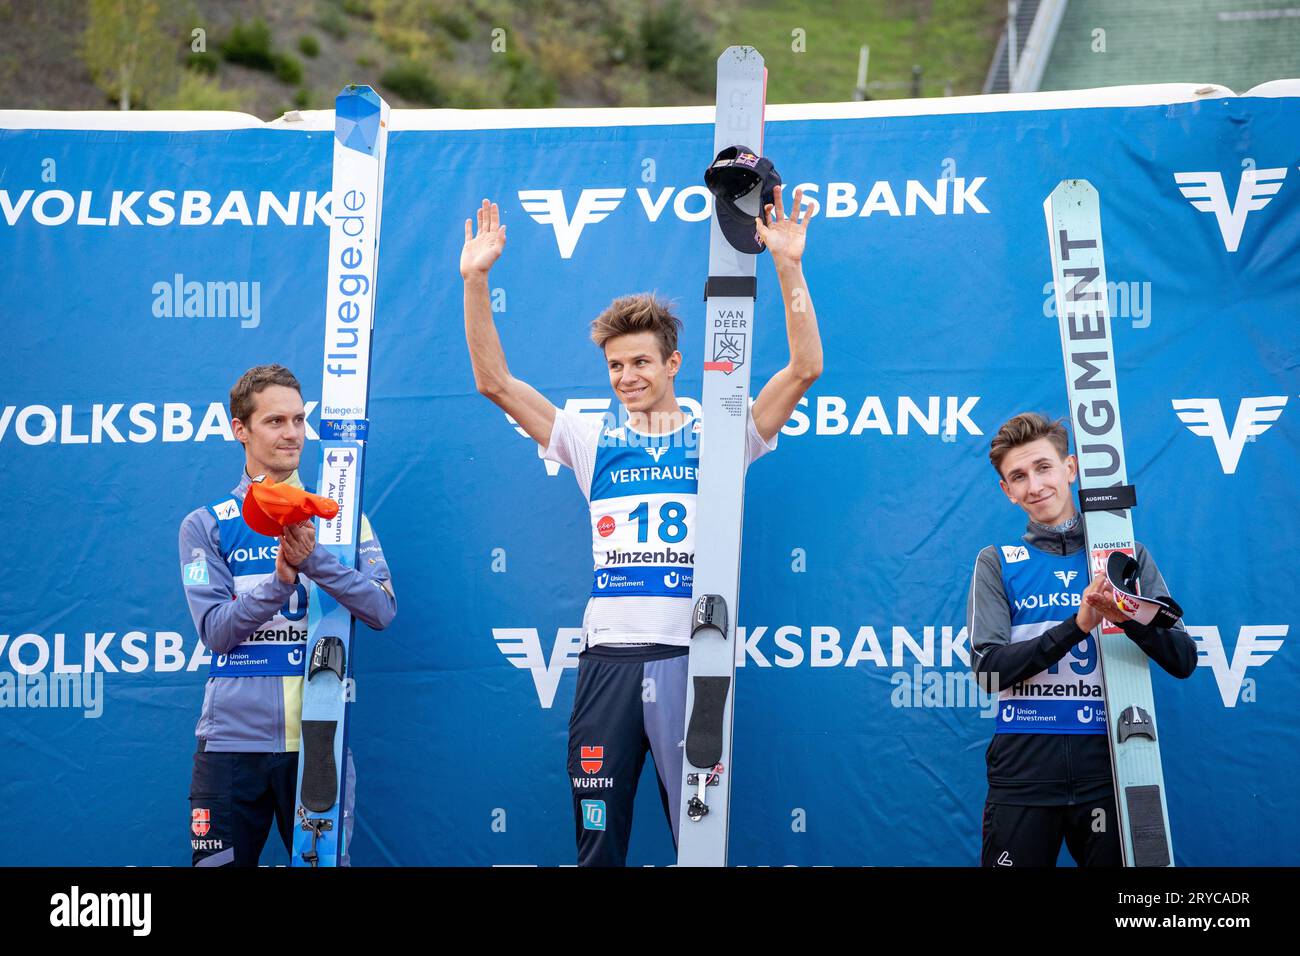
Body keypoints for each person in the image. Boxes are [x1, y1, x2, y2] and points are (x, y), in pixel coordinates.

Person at [461, 185, 821, 865]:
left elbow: (805, 368)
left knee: (700, 840)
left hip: (692, 657)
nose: (627, 376)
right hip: (607, 664)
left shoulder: (722, 434)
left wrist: (788, 265)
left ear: (673, 363)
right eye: (615, 366)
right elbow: (495, 383)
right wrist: (476, 279)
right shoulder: (589, 438)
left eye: (640, 362)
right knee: (597, 838)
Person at [178, 364, 395, 866]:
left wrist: (314, 559)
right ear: (241, 430)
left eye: (299, 420)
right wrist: (280, 584)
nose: (293, 433)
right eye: (276, 421)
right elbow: (215, 632)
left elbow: (382, 608)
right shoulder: (206, 524)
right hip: (231, 744)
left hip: (318, 739)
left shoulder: (338, 517)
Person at [966, 412, 1195, 867]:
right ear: (1007, 491)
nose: (1034, 486)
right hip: (1024, 776)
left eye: (1044, 467)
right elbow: (989, 673)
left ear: (1070, 469)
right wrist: (1078, 625)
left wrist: (1124, 615)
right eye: (1018, 477)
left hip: (1112, 773)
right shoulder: (997, 561)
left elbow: (1183, 659)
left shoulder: (1125, 556)